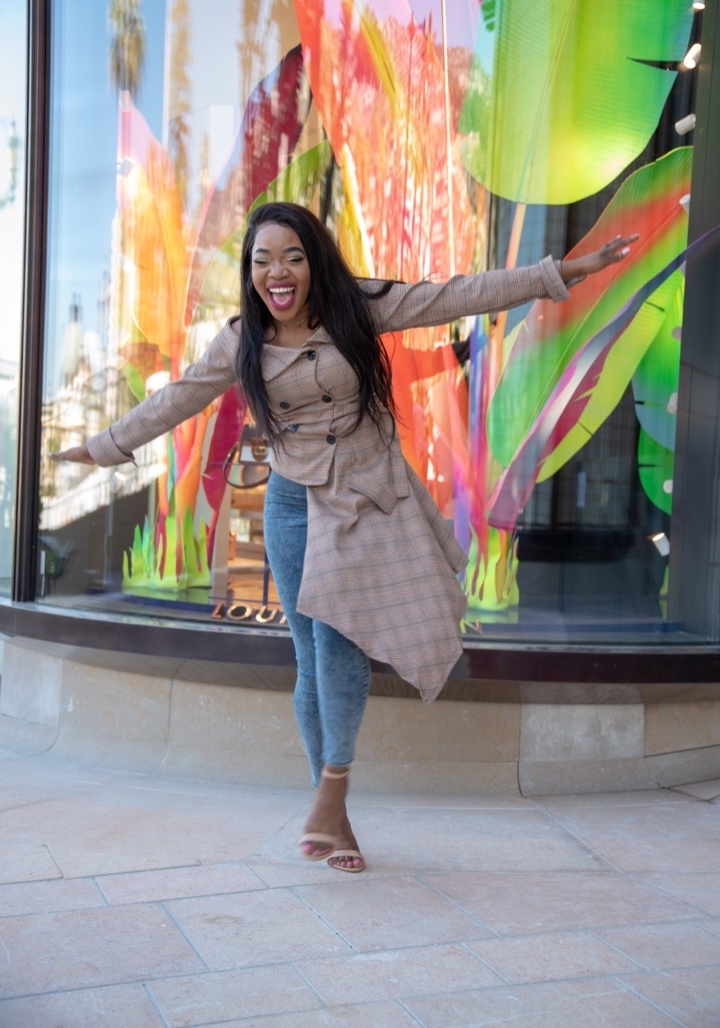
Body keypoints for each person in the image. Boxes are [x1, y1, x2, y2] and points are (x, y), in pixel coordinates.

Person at [52, 202, 637, 873]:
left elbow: (454, 295)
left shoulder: (356, 307)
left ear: (314, 263)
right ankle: (333, 815)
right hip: (292, 503)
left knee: (340, 639)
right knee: (309, 657)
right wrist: (105, 446)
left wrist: (560, 272)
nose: (278, 272)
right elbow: (180, 395)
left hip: (361, 498)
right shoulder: (243, 340)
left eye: (292, 257)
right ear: (250, 273)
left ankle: (333, 787)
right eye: (263, 260)